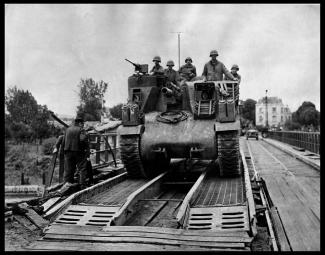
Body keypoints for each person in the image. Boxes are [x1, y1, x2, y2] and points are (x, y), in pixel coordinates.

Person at [63, 116, 90, 190]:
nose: (83, 125)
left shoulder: (68, 129)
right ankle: (82, 187)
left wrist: (64, 151)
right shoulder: (81, 130)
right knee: (82, 169)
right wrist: (87, 152)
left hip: (68, 151)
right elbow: (83, 140)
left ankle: (66, 186)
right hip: (78, 152)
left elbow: (63, 141)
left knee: (69, 169)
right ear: (80, 123)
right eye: (83, 124)